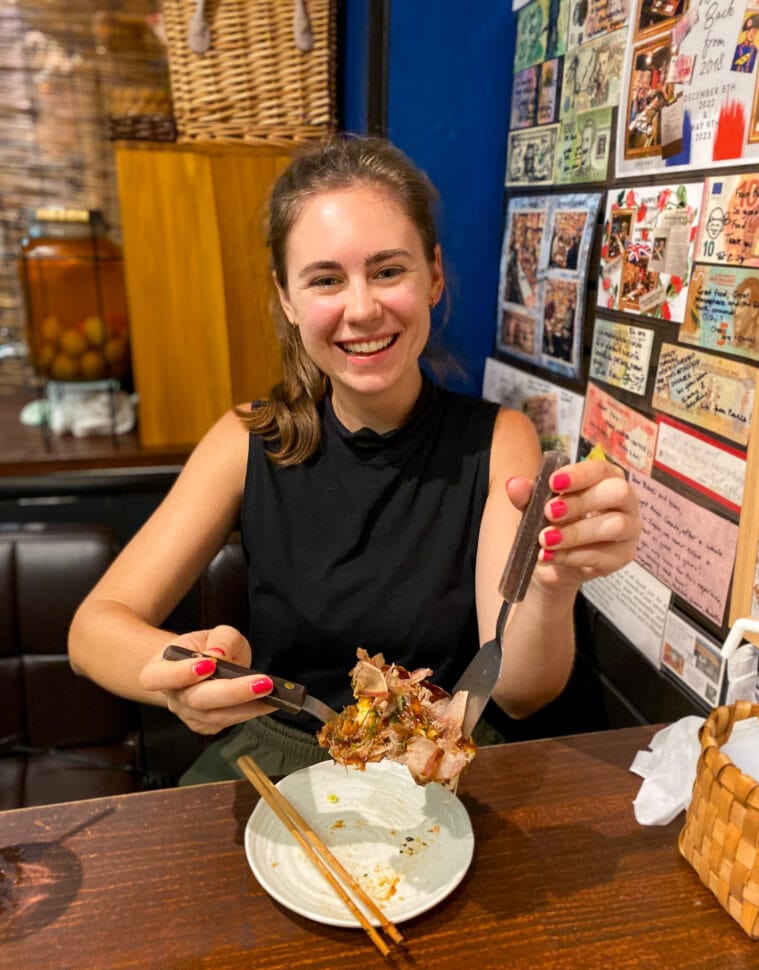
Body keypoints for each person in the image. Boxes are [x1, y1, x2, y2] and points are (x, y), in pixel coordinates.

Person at [68, 135, 641, 782]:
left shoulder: (499, 439)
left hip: (436, 759)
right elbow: (91, 631)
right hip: (278, 757)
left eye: (389, 270)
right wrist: (179, 673)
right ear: (287, 299)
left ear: (435, 275)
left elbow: (517, 689)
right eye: (326, 280)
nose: (362, 308)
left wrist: (552, 585)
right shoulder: (245, 440)